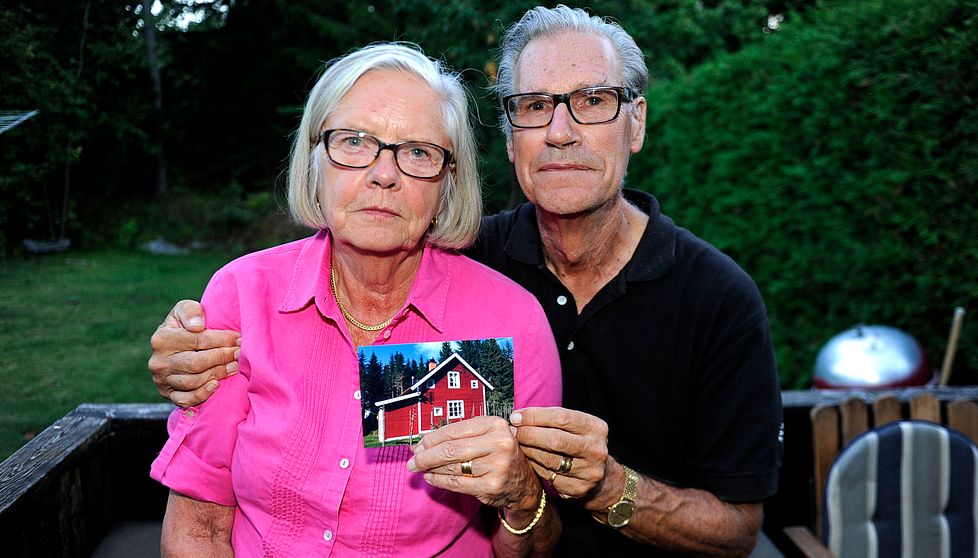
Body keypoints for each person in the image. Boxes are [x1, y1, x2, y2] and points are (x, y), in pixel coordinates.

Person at [149, 6, 782, 557]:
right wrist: (188, 349)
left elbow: (737, 530)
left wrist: (606, 485)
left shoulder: (715, 300)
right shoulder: (453, 253)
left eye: (593, 101)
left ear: (636, 123)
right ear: (509, 139)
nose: (561, 131)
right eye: (535, 107)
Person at [150, 42, 563, 557]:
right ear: (315, 158)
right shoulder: (241, 295)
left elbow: (537, 545)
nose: (383, 174)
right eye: (353, 141)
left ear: (448, 184)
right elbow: (199, 522)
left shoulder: (509, 321)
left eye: (417, 152)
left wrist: (523, 497)